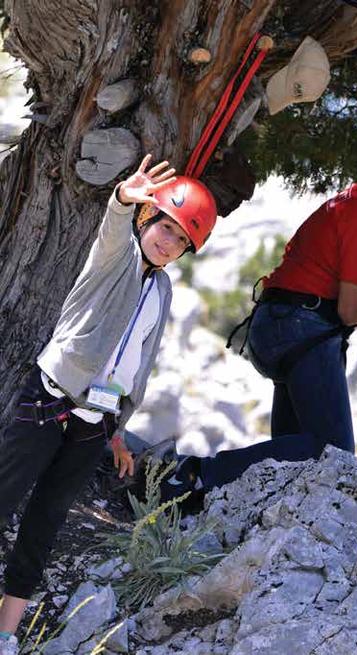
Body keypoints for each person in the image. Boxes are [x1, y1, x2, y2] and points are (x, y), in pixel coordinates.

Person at [160, 118, 357, 501]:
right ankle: (197, 473)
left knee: (294, 458)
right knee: (331, 452)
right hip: (301, 326)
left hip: (291, 326)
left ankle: (201, 499)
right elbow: (354, 311)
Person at [0, 156, 217, 653]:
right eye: (165, 227)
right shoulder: (114, 258)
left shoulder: (161, 290)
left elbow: (136, 364)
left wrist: (118, 430)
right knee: (2, 498)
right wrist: (123, 199)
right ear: (148, 220)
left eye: (181, 239)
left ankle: (5, 634)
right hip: (50, 401)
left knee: (46, 522)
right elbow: (111, 228)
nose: (168, 241)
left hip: (93, 423)